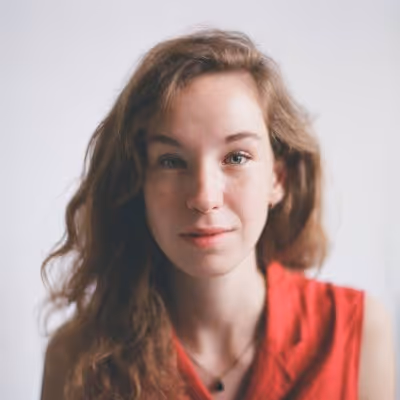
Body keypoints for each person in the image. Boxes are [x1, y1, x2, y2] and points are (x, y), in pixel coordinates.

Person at [40, 29, 396, 400]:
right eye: (171, 161)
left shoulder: (357, 333)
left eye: (236, 157)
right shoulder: (77, 359)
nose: (204, 198)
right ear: (137, 181)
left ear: (278, 178)